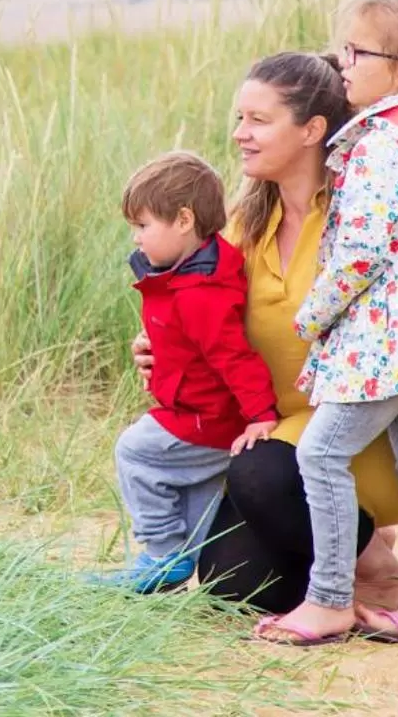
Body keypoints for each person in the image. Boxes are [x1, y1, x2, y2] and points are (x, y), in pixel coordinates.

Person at [129, 54, 398, 617]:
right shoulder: (242, 230)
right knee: (232, 584)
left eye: (258, 120)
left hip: (374, 437)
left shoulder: (366, 210)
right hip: (284, 438)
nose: (239, 134)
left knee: (259, 472)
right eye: (239, 118)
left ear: (312, 130)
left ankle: (377, 572)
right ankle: (359, 546)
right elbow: (197, 315)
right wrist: (161, 350)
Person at [256, 0, 398, 648]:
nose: (342, 62)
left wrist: (311, 316)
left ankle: (328, 598)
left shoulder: (380, 146)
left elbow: (359, 252)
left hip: (386, 337)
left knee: (321, 453)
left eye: (357, 52)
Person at [97, 152, 279, 592]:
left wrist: (261, 414)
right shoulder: (191, 270)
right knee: (194, 488)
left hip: (206, 417)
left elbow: (234, 356)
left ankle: (161, 552)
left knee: (136, 451)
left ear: (182, 220)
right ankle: (177, 565)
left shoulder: (201, 292)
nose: (136, 238)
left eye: (143, 226)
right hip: (206, 411)